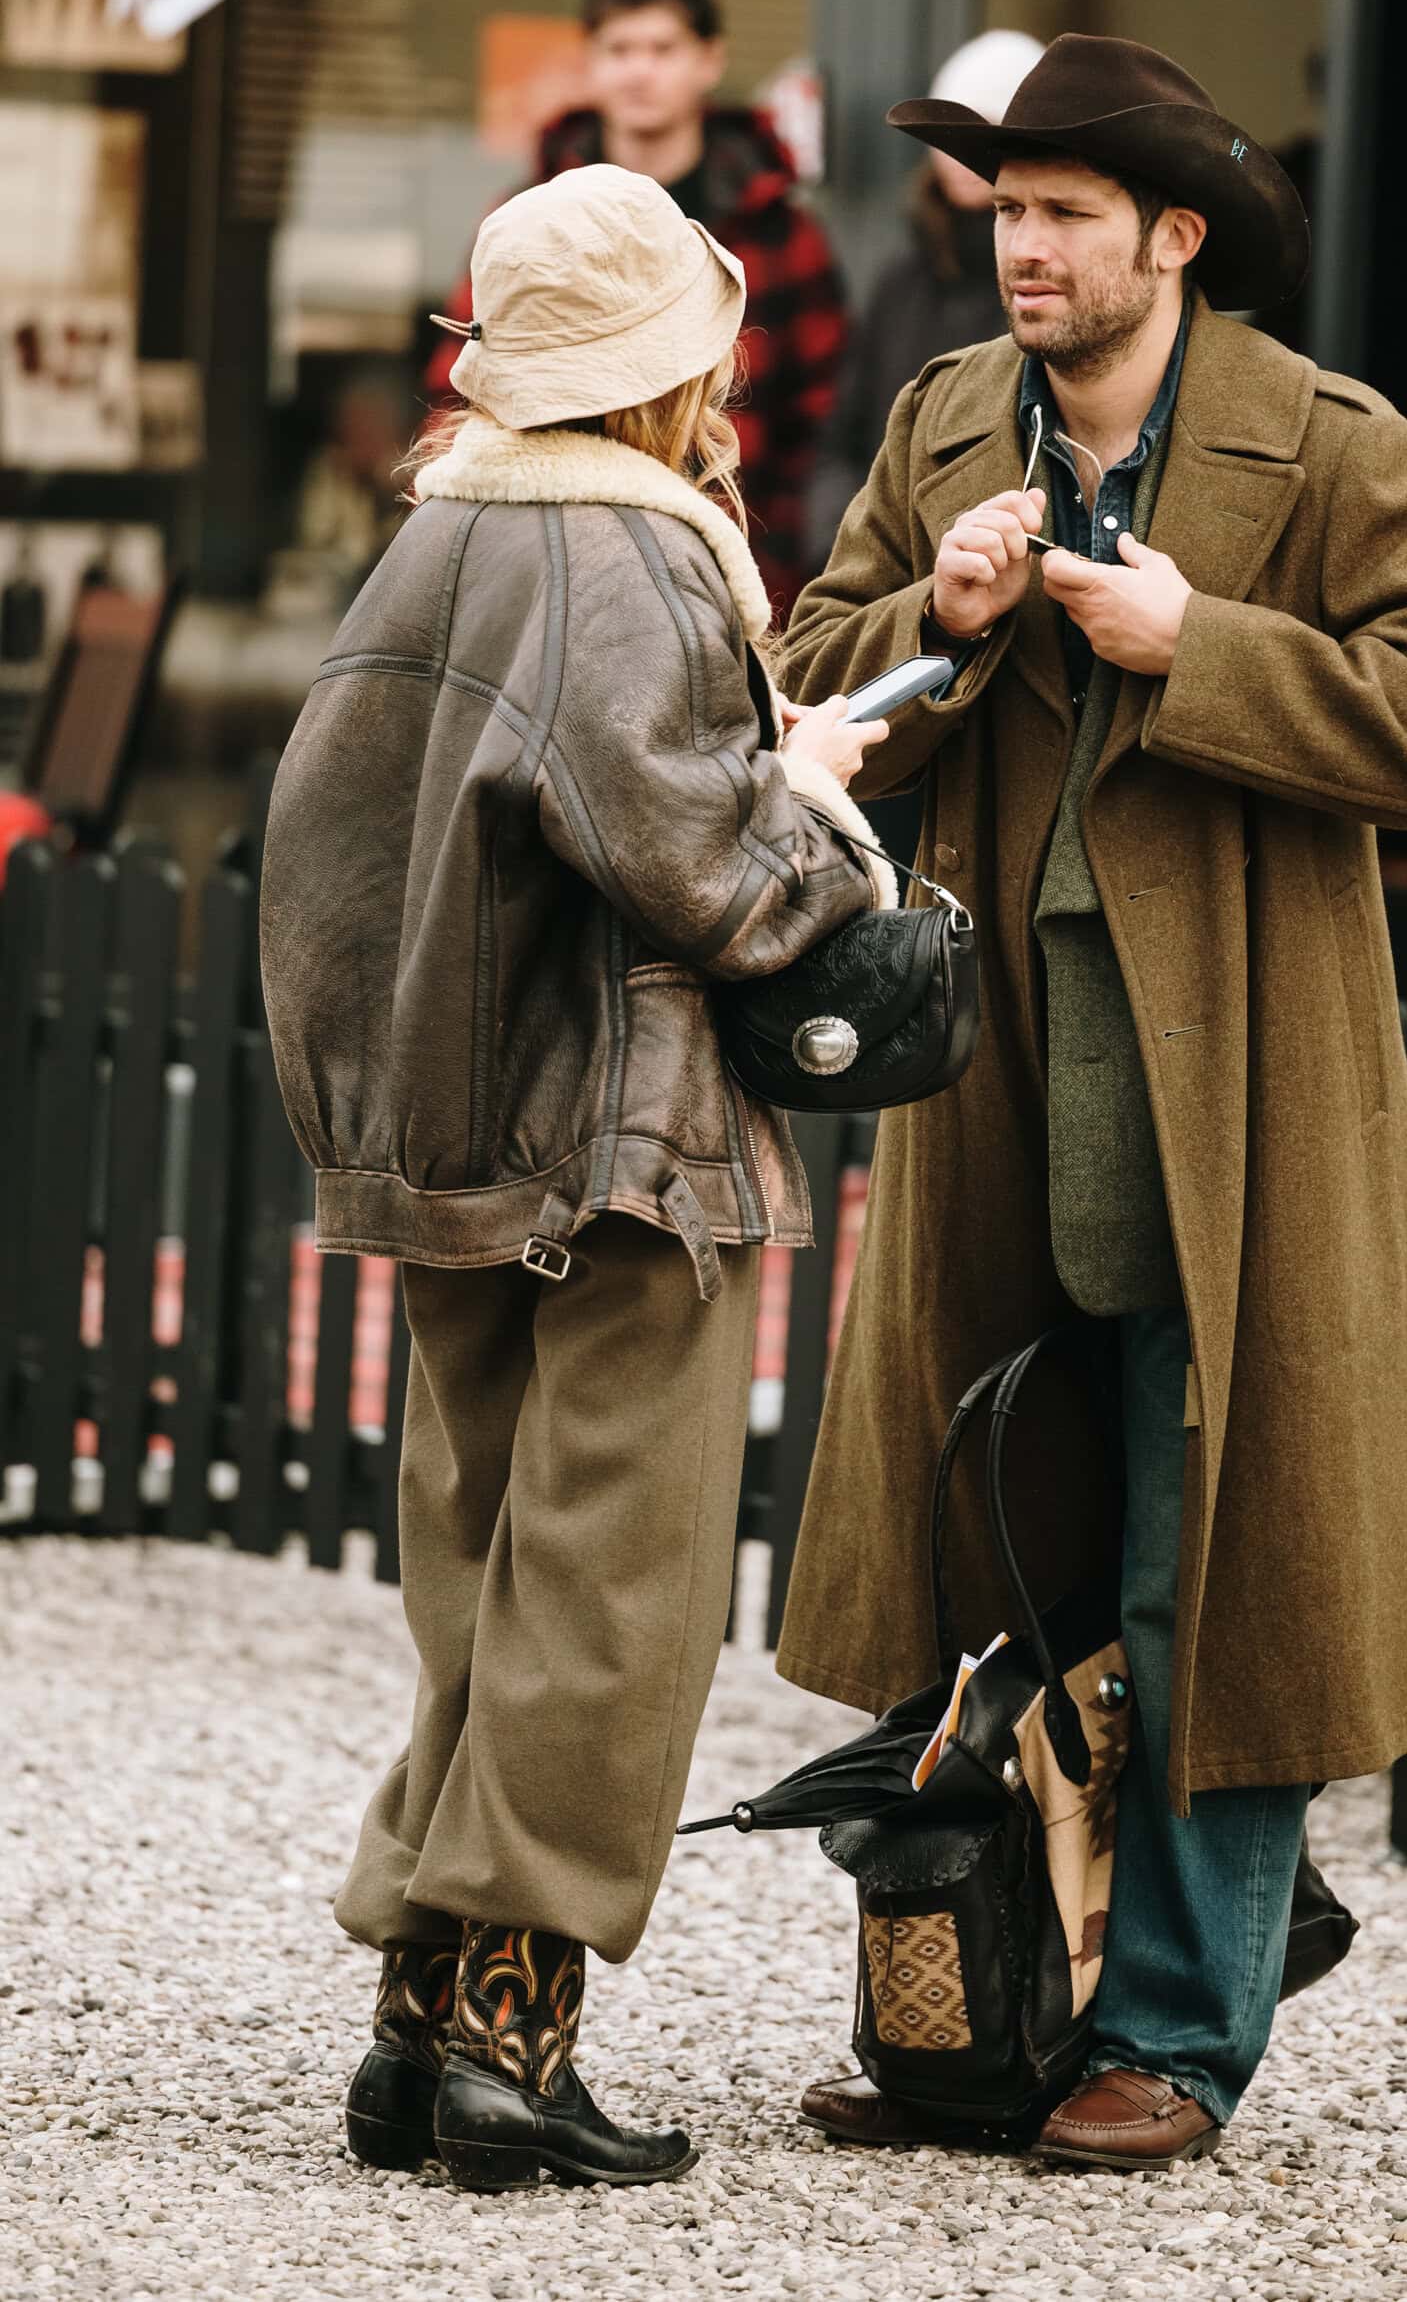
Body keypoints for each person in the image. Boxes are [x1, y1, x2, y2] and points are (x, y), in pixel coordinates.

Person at [773, 35, 1407, 2168]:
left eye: (1060, 214)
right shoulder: (942, 420)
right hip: (993, 1077)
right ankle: (978, 2021)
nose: (1014, 245)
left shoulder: (1330, 443)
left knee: (1214, 1561)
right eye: (1000, 209)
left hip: (1240, 1099)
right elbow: (804, 686)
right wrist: (933, 615)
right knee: (995, 1543)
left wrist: (1202, 641)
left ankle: (1175, 2035)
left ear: (1171, 237)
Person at [260, 167, 891, 2192]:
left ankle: (414, 2025)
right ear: (658, 363)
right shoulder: (624, 543)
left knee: (480, 1566)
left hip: (452, 1134)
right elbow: (703, 864)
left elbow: (327, 849)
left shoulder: (440, 527)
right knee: (611, 1590)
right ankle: (505, 2054)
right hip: (625, 1142)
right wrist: (810, 796)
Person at [426, 0, 848, 619]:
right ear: (590, 63)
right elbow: (462, 387)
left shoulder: (777, 230)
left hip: (735, 563)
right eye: (619, 50)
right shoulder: (528, 218)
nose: (638, 71)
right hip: (548, 559)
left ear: (709, 61)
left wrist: (782, 569)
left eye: (661, 49)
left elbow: (823, 420)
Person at [810, 30, 1044, 558]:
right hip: (882, 565)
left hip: (998, 563)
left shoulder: (1044, 289)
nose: (961, 157)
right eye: (950, 137)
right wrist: (843, 549)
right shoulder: (900, 283)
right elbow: (843, 438)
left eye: (984, 133)